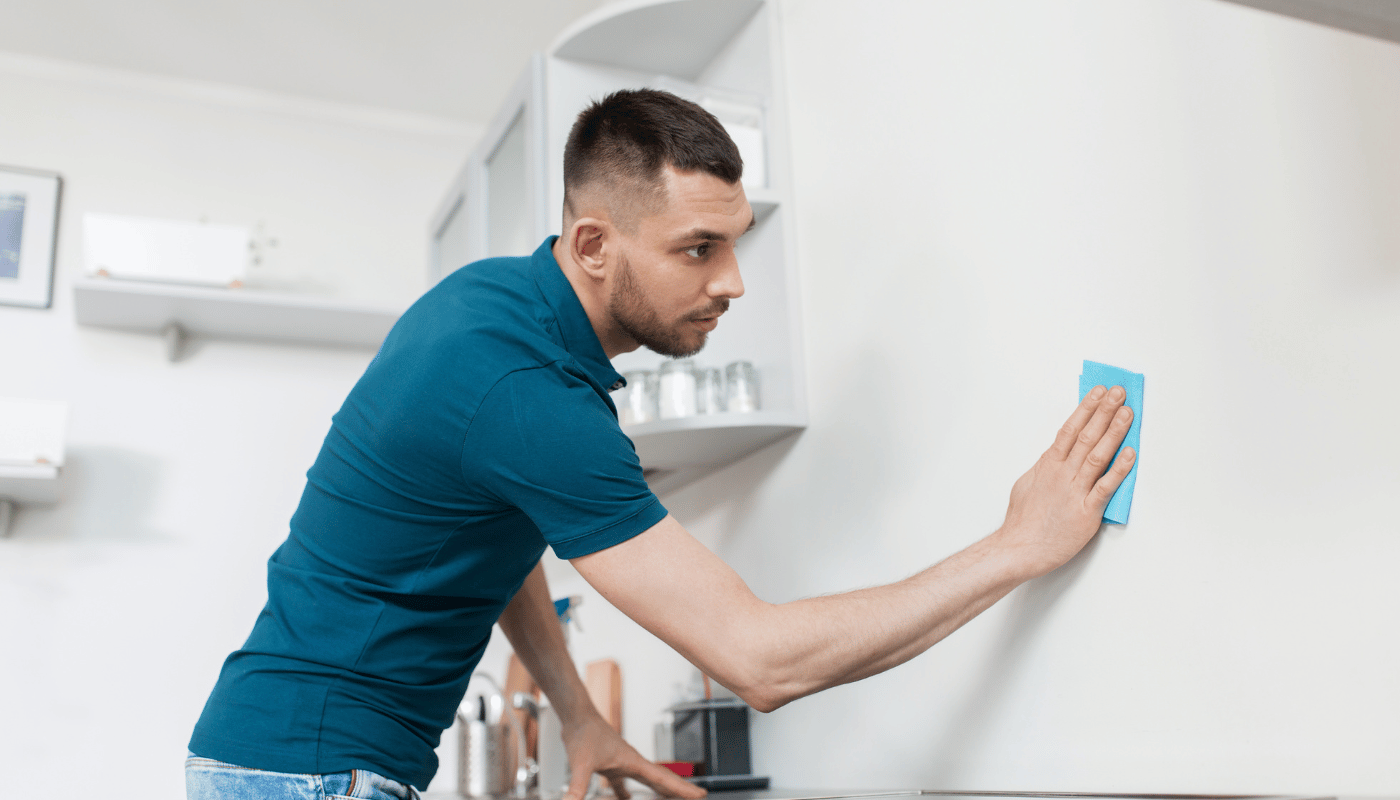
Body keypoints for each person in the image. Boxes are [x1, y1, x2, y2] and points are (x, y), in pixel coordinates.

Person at [186, 88, 1135, 800]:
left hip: (280, 758)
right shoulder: (528, 395)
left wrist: (580, 712)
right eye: (696, 249)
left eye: (736, 242)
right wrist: (1018, 545)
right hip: (310, 773)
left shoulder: (496, 311)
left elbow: (491, 542)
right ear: (595, 244)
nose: (732, 282)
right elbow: (760, 662)